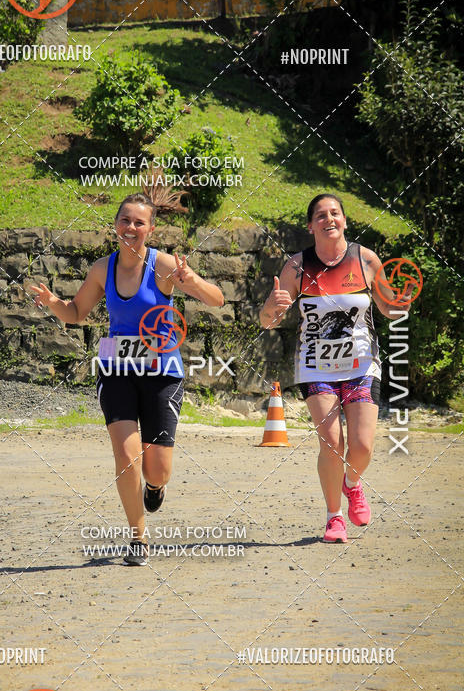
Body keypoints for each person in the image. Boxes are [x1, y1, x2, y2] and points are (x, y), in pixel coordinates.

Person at [30, 189, 224, 565]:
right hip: (116, 369)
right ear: (115, 225)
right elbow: (76, 313)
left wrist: (190, 281)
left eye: (139, 222)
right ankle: (138, 538)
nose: (130, 227)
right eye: (125, 220)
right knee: (126, 454)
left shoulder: (163, 264)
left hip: (161, 372)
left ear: (150, 229)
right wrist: (53, 303)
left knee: (158, 469)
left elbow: (216, 299)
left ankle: (154, 487)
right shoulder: (102, 268)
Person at [259, 193, 415, 543]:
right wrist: (271, 305)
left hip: (362, 364)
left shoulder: (365, 259)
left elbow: (388, 309)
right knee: (331, 443)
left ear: (344, 220)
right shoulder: (297, 267)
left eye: (335, 213)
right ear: (310, 225)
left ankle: (352, 483)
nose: (329, 219)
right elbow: (268, 320)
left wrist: (400, 305)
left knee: (361, 447)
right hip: (316, 367)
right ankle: (334, 518)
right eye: (321, 215)